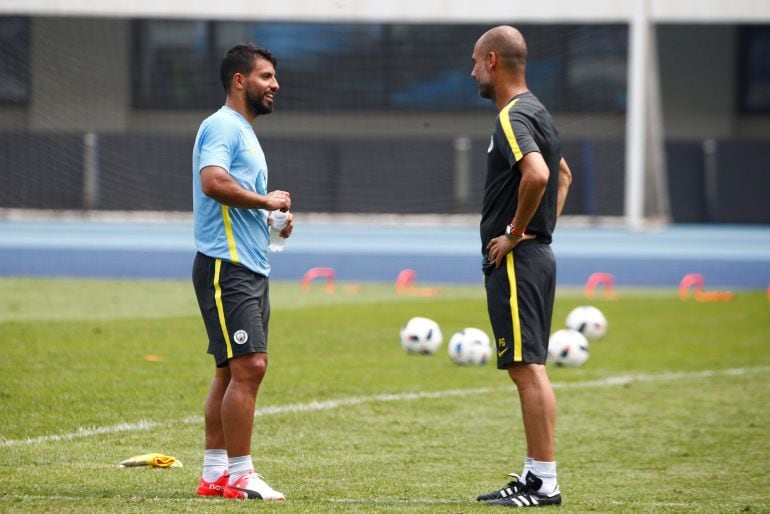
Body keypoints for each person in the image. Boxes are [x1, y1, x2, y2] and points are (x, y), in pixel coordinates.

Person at [470, 26, 573, 508]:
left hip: (519, 259)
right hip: (536, 255)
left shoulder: (512, 116)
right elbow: (564, 175)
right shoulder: (540, 111)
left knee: (527, 369)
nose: (472, 72)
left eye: (474, 63)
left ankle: (543, 483)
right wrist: (542, 227)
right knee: (528, 367)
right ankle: (536, 476)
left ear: (492, 61)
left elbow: (540, 174)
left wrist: (515, 233)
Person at [191, 42, 293, 502]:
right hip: (226, 266)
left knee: (229, 373)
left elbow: (239, 194)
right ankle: (240, 475)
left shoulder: (245, 133)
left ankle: (215, 474)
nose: (275, 85)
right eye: (266, 76)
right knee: (250, 366)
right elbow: (212, 182)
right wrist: (264, 200)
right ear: (240, 80)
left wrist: (273, 218)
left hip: (248, 263)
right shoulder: (221, 126)